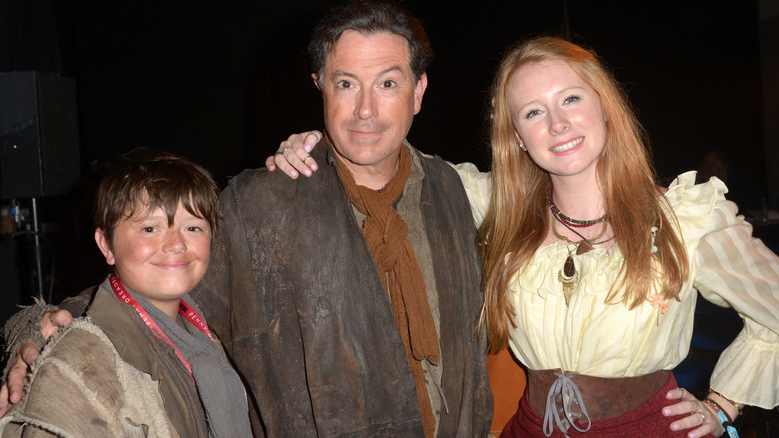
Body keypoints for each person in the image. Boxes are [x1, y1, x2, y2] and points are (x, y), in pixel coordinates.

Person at [0, 2, 493, 437]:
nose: (366, 109)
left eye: (388, 83)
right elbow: (155, 281)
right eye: (347, 83)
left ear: (419, 90)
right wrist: (42, 328)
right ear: (320, 85)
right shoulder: (265, 202)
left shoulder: (454, 192)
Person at [268, 36, 779, 437]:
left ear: (605, 106)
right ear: (517, 135)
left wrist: (722, 407)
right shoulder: (497, 206)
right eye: (534, 112)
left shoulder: (685, 218)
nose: (558, 125)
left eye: (571, 99)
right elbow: (387, 158)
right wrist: (315, 143)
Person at [0, 148, 252, 437]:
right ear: (106, 245)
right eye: (149, 229)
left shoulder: (205, 335)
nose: (176, 244)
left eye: (193, 227)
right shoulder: (80, 365)